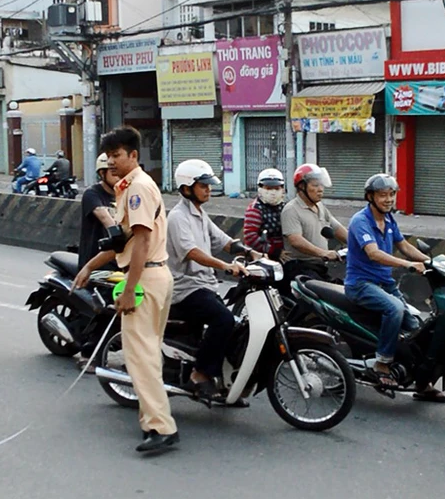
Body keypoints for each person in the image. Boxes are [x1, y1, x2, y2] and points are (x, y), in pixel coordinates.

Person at [72, 127, 178, 454]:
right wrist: (90, 265)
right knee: (148, 355)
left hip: (146, 278)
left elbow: (143, 241)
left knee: (140, 359)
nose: (112, 161)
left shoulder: (137, 189)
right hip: (155, 276)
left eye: (118, 155)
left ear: (134, 155)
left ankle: (160, 428)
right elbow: (125, 241)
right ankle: (157, 421)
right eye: (109, 156)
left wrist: (130, 289)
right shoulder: (132, 188)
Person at [344, 174, 444, 399]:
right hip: (361, 284)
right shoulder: (361, 221)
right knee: (394, 309)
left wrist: (432, 262)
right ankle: (382, 363)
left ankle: (420, 382)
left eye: (391, 194)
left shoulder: (389, 220)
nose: (388, 199)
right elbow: (374, 253)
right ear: (370, 197)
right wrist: (408, 264)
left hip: (385, 283)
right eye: (382, 195)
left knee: (416, 326)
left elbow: (404, 245)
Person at [167, 159, 258, 401]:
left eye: (209, 185)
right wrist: (226, 266)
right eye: (203, 185)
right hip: (185, 288)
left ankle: (224, 382)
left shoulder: (199, 213)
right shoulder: (178, 217)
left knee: (237, 326)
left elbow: (224, 241)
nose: (208, 189)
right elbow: (191, 252)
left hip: (204, 285)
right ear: (187, 188)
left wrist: (252, 253)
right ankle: (200, 374)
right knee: (223, 319)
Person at [280, 163, 348, 281]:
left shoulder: (320, 207)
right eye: (315, 185)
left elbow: (337, 228)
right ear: (301, 187)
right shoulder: (291, 209)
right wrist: (323, 253)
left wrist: (358, 244)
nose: (320, 189)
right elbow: (296, 240)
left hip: (318, 267)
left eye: (321, 185)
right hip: (300, 268)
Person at [78, 152, 119, 269]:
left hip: (117, 262)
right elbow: (104, 216)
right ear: (102, 173)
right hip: (95, 265)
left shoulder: (124, 195)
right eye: (113, 172)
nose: (119, 176)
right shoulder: (92, 194)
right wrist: (118, 234)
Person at [243, 168, 286, 259]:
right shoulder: (254, 210)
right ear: (260, 188)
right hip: (261, 257)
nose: (273, 192)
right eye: (268, 188)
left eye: (277, 188)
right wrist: (273, 251)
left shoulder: (285, 207)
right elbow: (250, 237)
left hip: (285, 255)